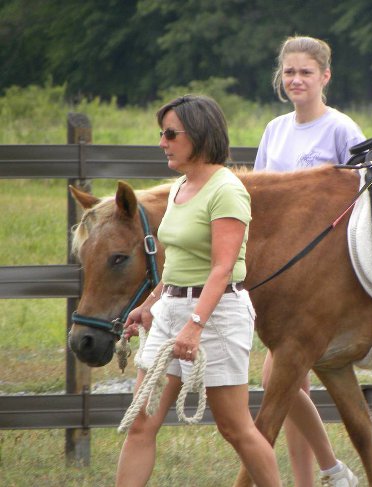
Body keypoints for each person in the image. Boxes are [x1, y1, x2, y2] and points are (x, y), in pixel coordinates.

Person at [116, 95, 281, 487]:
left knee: (235, 427)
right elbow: (178, 264)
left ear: (201, 135)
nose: (162, 142)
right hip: (173, 310)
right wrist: (150, 304)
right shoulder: (180, 188)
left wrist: (194, 325)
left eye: (171, 134)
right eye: (162, 134)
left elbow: (222, 267)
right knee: (141, 422)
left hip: (218, 315)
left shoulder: (227, 190)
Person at [254, 36, 363, 487]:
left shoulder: (341, 130)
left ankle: (330, 470)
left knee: (278, 377)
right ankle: (317, 475)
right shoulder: (275, 130)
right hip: (279, 280)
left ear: (325, 77)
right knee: (291, 384)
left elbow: (364, 195)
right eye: (290, 72)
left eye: (306, 72)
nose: (296, 80)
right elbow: (258, 197)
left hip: (322, 281)